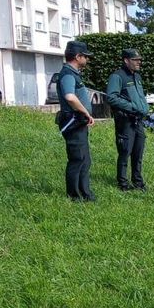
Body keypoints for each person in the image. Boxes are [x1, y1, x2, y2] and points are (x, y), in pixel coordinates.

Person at [53, 40, 95, 201]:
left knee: (85, 159)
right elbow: (69, 97)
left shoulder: (73, 74)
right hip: (73, 121)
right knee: (77, 159)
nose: (87, 59)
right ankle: (74, 195)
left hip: (79, 122)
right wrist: (86, 112)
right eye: (85, 56)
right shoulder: (68, 75)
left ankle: (85, 193)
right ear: (78, 57)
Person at [105, 48, 149, 191]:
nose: (139, 62)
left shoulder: (137, 76)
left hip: (138, 121)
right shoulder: (117, 76)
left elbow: (140, 97)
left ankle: (138, 182)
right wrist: (131, 107)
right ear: (126, 60)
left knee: (138, 153)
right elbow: (111, 97)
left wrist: (143, 108)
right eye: (135, 60)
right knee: (125, 152)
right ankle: (122, 183)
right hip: (125, 121)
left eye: (139, 60)